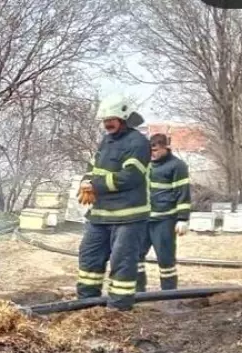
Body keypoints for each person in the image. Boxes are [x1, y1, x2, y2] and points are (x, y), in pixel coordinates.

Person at [75, 94, 151, 311]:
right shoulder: (106, 141)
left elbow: (132, 176)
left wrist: (96, 186)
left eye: (111, 120)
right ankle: (86, 307)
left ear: (124, 118)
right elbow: (93, 168)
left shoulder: (138, 143)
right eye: (104, 121)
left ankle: (118, 309)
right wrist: (85, 182)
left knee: (122, 262)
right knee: (89, 259)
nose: (106, 124)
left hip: (128, 217)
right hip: (100, 215)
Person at [138, 133, 191, 291]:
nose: (152, 154)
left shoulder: (177, 166)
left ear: (165, 148)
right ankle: (138, 292)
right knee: (135, 257)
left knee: (165, 259)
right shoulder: (145, 164)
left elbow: (183, 192)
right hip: (143, 219)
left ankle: (169, 294)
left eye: (155, 150)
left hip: (164, 220)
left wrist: (182, 219)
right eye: (149, 150)